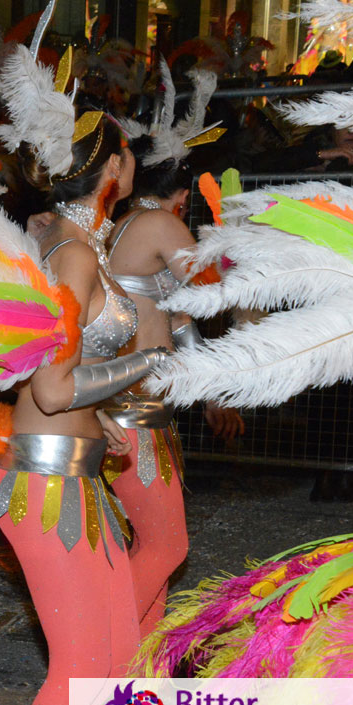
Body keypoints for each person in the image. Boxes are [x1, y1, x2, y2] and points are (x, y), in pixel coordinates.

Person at [0, 112, 170, 705]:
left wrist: (100, 421)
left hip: (77, 472)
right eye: (126, 152)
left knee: (116, 652)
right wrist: (143, 360)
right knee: (84, 664)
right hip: (40, 482)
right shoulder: (75, 254)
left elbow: (64, 369)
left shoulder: (74, 243)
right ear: (113, 167)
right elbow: (53, 388)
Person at [104, 135, 243, 637]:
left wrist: (208, 392)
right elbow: (216, 284)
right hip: (134, 411)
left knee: (151, 546)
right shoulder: (159, 223)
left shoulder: (127, 225)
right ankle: (104, 652)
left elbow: (178, 317)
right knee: (168, 547)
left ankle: (139, 675)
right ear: (180, 190)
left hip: (139, 405)